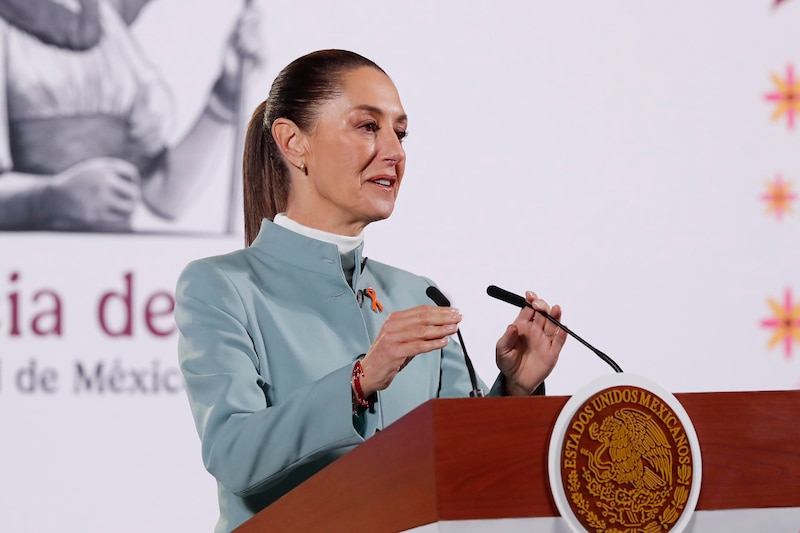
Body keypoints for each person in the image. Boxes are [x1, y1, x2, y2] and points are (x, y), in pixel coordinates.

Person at [175, 49, 568, 533]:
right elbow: (233, 455)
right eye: (367, 127)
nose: (395, 151)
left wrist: (517, 388)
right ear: (293, 142)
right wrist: (359, 381)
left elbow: (465, 465)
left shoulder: (419, 293)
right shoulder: (221, 285)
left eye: (400, 133)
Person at [0, 0, 261, 231]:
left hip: (116, 266)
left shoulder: (106, 24)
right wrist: (49, 198)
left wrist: (227, 92)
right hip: (29, 268)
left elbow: (165, 196)